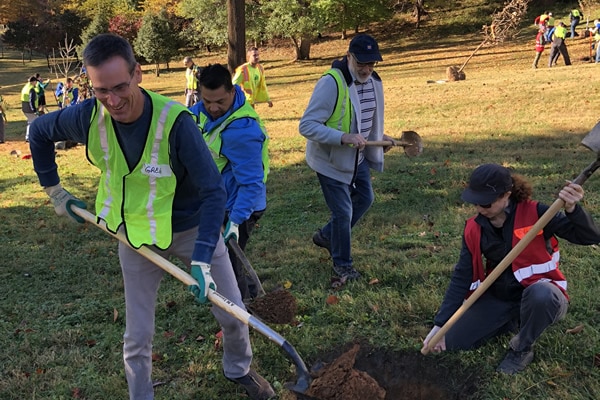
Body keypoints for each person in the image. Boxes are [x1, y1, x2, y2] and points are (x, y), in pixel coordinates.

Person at [28, 33, 275, 400]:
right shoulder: (87, 116)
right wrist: (55, 191)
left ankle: (238, 368)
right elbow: (39, 134)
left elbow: (213, 192)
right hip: (136, 235)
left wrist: (204, 258)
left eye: (119, 87)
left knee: (233, 314)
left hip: (190, 229)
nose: (112, 100)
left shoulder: (176, 124)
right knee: (137, 336)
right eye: (100, 90)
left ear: (138, 74)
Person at [423, 164, 600, 374]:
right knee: (451, 342)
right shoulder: (474, 227)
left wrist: (573, 210)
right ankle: (511, 320)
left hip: (542, 293)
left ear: (506, 195)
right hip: (500, 296)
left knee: (541, 296)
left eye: (486, 203)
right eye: (475, 202)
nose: (480, 208)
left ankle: (521, 348)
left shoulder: (539, 213)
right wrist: (440, 324)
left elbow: (590, 237)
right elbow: (462, 275)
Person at [299, 34, 397, 280]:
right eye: (361, 63)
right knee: (343, 212)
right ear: (349, 57)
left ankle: (327, 236)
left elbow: (364, 118)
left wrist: (380, 137)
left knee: (365, 198)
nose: (366, 69)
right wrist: (343, 137)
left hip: (358, 158)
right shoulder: (332, 82)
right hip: (330, 159)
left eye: (371, 63)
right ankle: (342, 265)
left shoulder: (374, 82)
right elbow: (307, 126)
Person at [190, 64, 270, 301]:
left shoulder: (242, 131)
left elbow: (253, 183)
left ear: (232, 92)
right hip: (218, 200)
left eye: (220, 102)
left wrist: (236, 220)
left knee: (227, 263)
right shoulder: (201, 110)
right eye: (207, 101)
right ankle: (248, 295)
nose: (213, 108)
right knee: (225, 259)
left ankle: (242, 308)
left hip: (240, 206)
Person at [21, 76, 38, 142]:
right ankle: (29, 137)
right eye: (36, 81)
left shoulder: (25, 87)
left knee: (30, 122)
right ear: (33, 82)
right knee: (33, 122)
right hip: (30, 109)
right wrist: (34, 110)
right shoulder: (31, 89)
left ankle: (28, 137)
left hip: (24, 108)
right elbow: (31, 100)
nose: (36, 83)